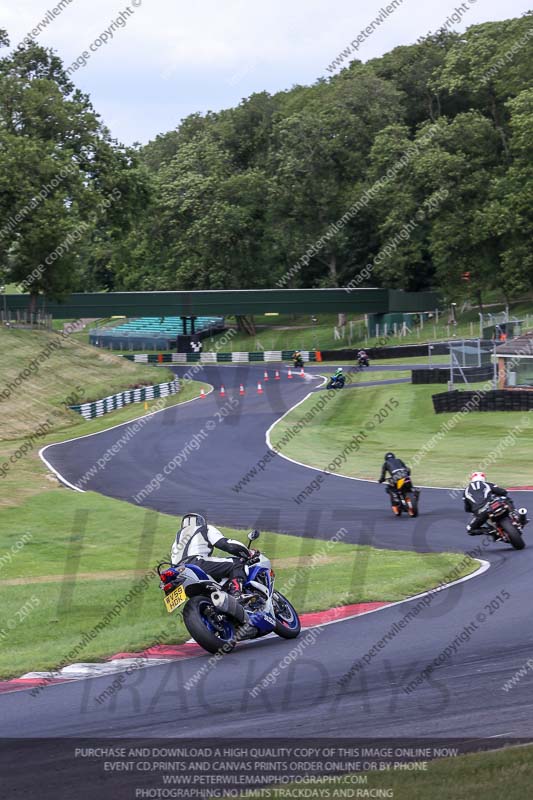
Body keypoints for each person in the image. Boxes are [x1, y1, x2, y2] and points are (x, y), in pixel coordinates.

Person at [169, 513, 254, 596]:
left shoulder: (178, 537)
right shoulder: (205, 528)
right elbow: (226, 544)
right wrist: (248, 552)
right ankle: (237, 594)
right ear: (201, 521)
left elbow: (173, 558)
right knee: (237, 564)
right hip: (196, 563)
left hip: (178, 572)